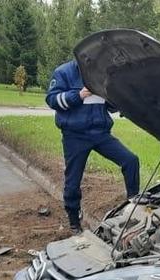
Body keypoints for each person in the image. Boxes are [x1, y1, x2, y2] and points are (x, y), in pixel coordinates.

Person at [46, 59, 140, 233]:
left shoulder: (101, 73)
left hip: (100, 134)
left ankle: (133, 207)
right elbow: (51, 99)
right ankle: (74, 222)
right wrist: (78, 95)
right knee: (72, 183)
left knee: (131, 160)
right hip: (75, 136)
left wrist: (119, 101)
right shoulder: (64, 72)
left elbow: (108, 105)